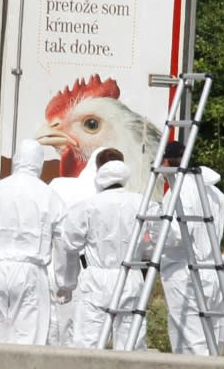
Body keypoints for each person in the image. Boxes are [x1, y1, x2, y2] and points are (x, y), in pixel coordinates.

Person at [0, 139, 68, 344]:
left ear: (16, 160)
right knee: (27, 339)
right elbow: (63, 244)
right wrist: (64, 283)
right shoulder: (51, 197)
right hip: (31, 274)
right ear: (40, 164)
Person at [157, 141, 224, 355]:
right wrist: (223, 257)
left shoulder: (176, 193)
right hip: (213, 271)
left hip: (185, 275)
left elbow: (175, 235)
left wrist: (153, 235)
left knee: (191, 345)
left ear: (164, 162)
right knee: (213, 342)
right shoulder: (209, 190)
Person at [54, 147, 147, 350]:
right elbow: (160, 237)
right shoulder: (142, 203)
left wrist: (66, 283)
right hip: (131, 277)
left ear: (98, 171)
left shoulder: (87, 206)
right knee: (131, 344)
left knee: (89, 343)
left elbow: (68, 244)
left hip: (96, 280)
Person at [46, 147, 104, 347]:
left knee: (54, 317)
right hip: (87, 266)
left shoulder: (59, 185)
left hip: (55, 258)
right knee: (81, 326)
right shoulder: (101, 194)